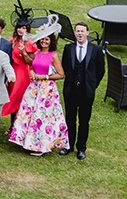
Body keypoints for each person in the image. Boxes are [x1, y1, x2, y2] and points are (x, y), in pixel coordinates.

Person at [9, 32, 68, 156]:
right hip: (34, 87)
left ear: (51, 41)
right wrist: (25, 55)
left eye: (47, 40)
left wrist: (44, 76)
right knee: (29, 113)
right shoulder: (37, 53)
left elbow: (61, 74)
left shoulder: (54, 56)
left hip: (47, 89)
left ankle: (41, 146)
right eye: (42, 40)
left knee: (41, 116)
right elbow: (32, 64)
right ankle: (28, 141)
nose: (44, 42)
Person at [61, 22, 105, 160]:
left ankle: (81, 148)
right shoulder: (68, 48)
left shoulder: (96, 50)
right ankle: (69, 145)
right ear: (75, 33)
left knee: (84, 120)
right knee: (70, 119)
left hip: (87, 91)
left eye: (82, 31)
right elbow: (64, 66)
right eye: (77, 31)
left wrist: (92, 85)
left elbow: (101, 70)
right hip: (71, 90)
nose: (80, 33)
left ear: (87, 33)